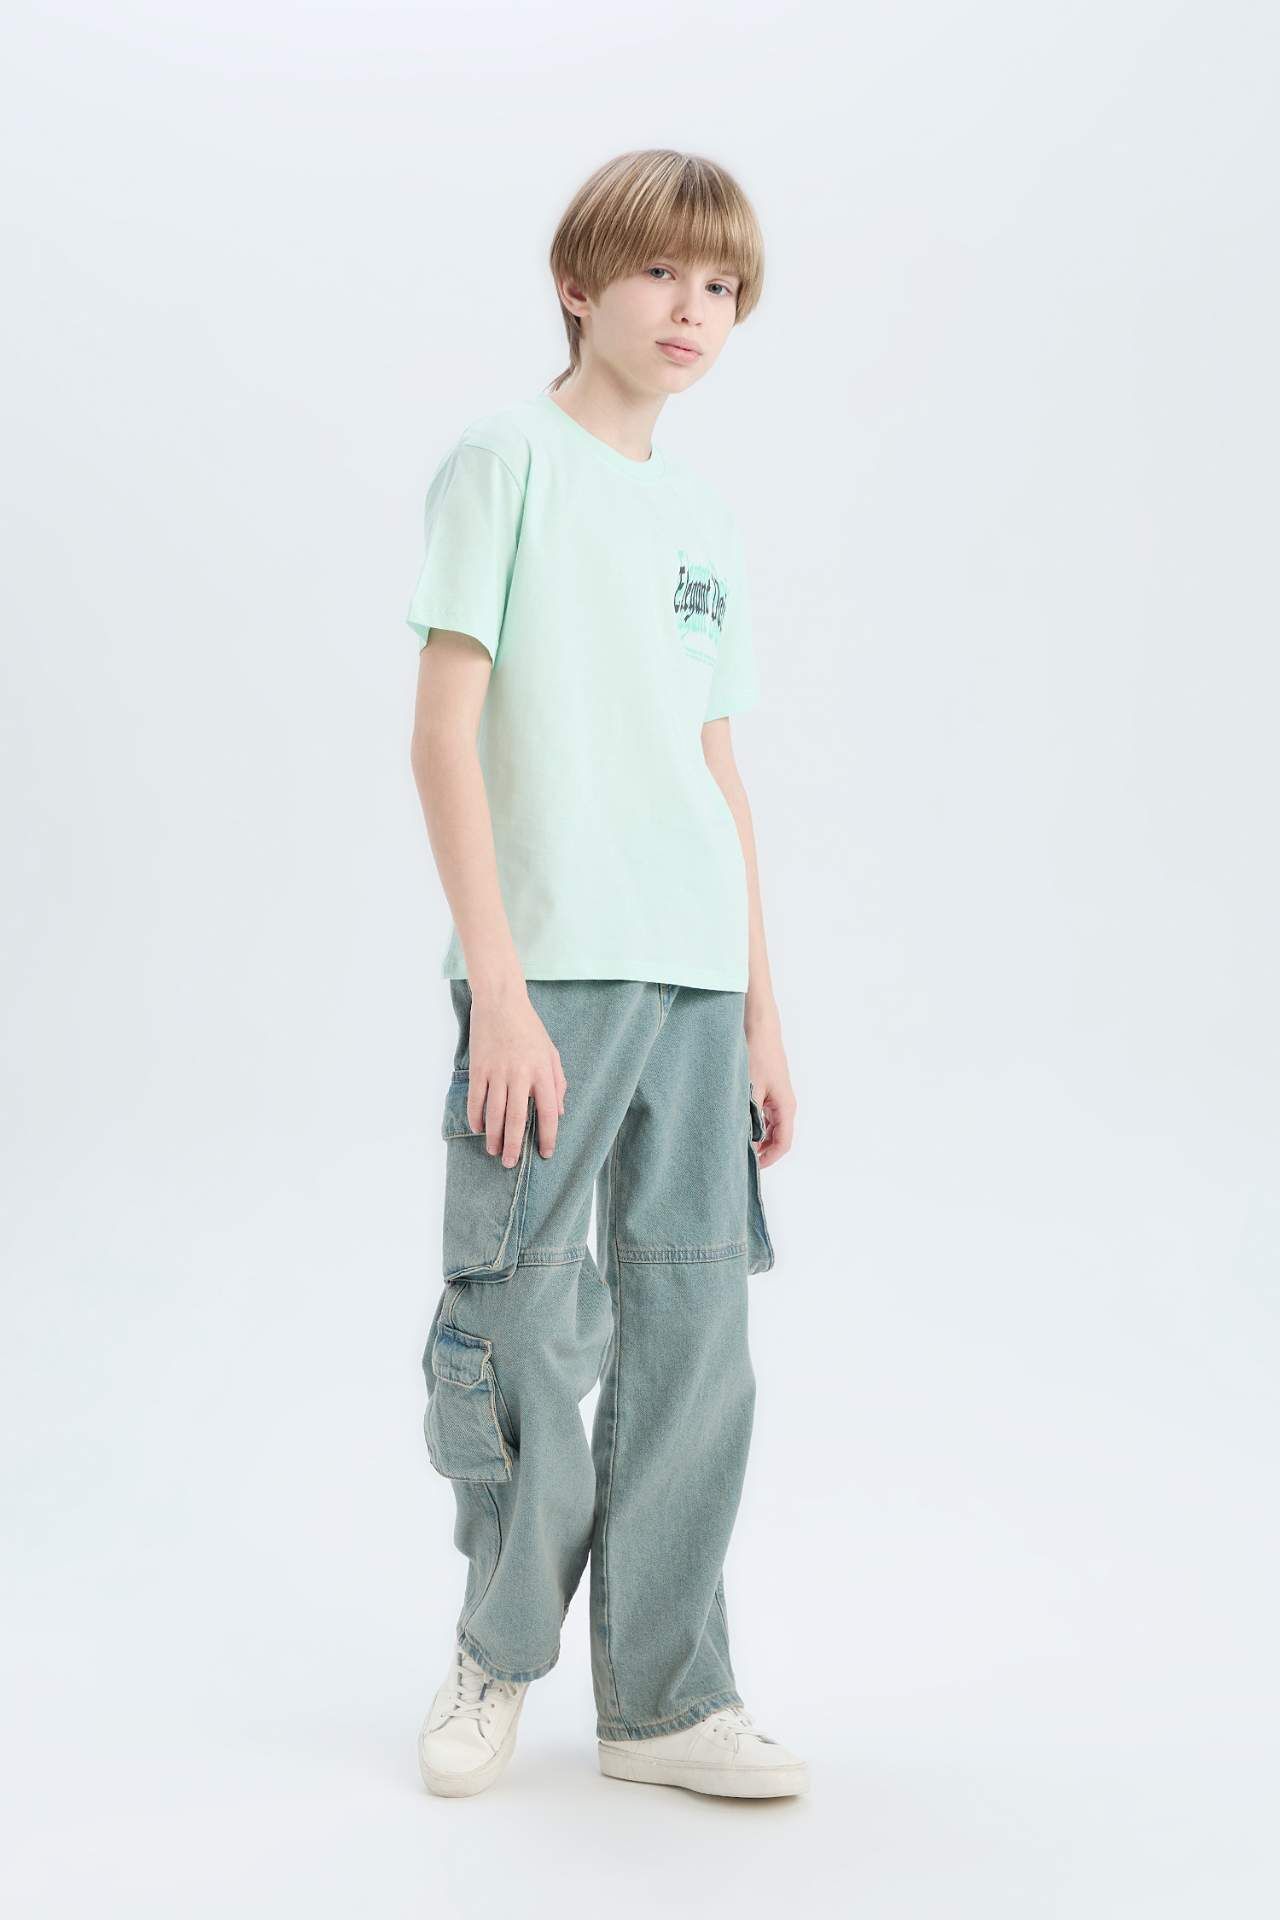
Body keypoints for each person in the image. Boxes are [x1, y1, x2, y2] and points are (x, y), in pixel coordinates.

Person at [405, 149, 804, 1800]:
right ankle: (497, 1657)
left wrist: (764, 1009)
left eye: (720, 286)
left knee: (695, 1332)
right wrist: (497, 988)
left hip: (696, 978)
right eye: (659, 274)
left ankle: (668, 1703)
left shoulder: (703, 517)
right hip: (550, 971)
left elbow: (716, 770)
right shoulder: (505, 462)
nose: (691, 309)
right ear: (579, 285)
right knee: (520, 1321)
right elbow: (442, 736)